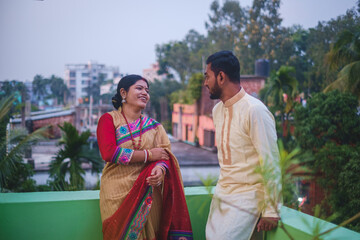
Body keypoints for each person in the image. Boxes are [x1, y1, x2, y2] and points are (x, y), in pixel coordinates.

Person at [97, 74, 192, 240]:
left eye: (147, 90)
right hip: (116, 192)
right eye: (139, 88)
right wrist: (149, 155)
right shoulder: (109, 120)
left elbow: (164, 156)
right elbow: (109, 153)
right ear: (123, 93)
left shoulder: (155, 127)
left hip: (149, 192)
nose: (145, 93)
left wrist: (159, 170)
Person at [204, 51, 281, 240]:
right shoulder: (217, 110)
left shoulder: (255, 110)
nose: (205, 82)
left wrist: (272, 210)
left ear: (221, 77)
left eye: (207, 76)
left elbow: (271, 161)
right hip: (223, 194)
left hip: (249, 196)